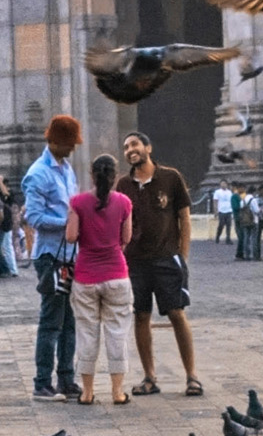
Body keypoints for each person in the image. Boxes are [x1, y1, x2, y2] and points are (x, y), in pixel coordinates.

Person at [116, 131, 202, 399]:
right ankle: (150, 377)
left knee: (177, 314)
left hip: (167, 258)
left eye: (135, 144)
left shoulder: (171, 177)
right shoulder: (123, 185)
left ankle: (192, 376)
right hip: (135, 262)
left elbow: (184, 219)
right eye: (127, 147)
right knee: (141, 316)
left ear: (148, 147)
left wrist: (182, 256)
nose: (131, 150)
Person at [66, 153, 134, 407]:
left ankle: (87, 392)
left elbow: (71, 237)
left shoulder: (78, 202)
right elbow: (125, 239)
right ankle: (117, 392)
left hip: (85, 277)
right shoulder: (124, 202)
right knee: (117, 334)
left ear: (92, 176)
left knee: (86, 334)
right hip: (117, 274)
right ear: (116, 177)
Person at [23, 114, 82, 402]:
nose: (72, 149)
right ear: (53, 141)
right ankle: (42, 382)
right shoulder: (38, 174)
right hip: (50, 257)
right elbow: (33, 216)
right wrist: (68, 222)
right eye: (69, 144)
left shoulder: (67, 169)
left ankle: (66, 379)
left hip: (70, 256)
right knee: (51, 321)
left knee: (69, 322)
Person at [0, 176, 21, 276]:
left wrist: (0, 181)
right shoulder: (1, 195)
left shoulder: (9, 193)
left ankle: (13, 269)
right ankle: (6, 268)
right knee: (4, 247)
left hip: (7, 223)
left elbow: (6, 193)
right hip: (4, 223)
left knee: (7, 246)